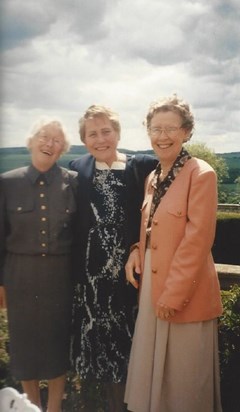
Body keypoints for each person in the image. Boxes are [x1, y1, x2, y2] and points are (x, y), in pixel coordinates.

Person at [124, 95, 223, 412]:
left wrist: (173, 295)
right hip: (153, 286)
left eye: (170, 128)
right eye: (155, 128)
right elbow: (156, 228)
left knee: (183, 380)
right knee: (158, 382)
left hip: (183, 291)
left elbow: (197, 240)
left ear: (186, 132)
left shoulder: (201, 174)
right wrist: (137, 249)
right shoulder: (153, 178)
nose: (162, 136)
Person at [69, 105, 158, 411]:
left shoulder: (143, 165)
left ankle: (134, 403)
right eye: (92, 133)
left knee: (130, 339)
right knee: (97, 342)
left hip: (129, 271)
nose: (101, 138)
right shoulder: (77, 168)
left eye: (106, 131)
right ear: (84, 139)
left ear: (118, 134)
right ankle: (102, 404)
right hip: (91, 273)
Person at [0, 118, 78, 412]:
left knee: (58, 341)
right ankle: (30, 406)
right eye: (43, 137)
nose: (49, 143)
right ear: (31, 142)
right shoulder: (7, 182)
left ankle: (55, 407)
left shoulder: (73, 182)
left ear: (63, 149)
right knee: (24, 345)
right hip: (19, 275)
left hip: (60, 275)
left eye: (56, 140)